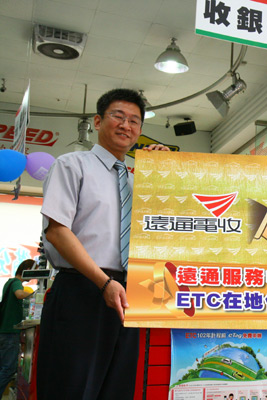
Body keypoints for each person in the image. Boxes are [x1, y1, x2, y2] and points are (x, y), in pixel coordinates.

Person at [36, 88, 169, 400]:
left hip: (130, 295)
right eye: (118, 116)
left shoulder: (138, 181)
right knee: (72, 388)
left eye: (134, 121)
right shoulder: (72, 165)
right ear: (98, 121)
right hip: (82, 290)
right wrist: (104, 282)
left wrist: (164, 174)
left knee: (117, 388)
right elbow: (57, 231)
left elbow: (161, 232)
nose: (126, 125)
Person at [0, 259, 34, 395]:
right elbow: (19, 294)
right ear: (27, 270)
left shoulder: (9, 282)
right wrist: (35, 295)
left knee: (4, 367)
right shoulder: (16, 283)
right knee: (8, 369)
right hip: (10, 332)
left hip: (4, 331)